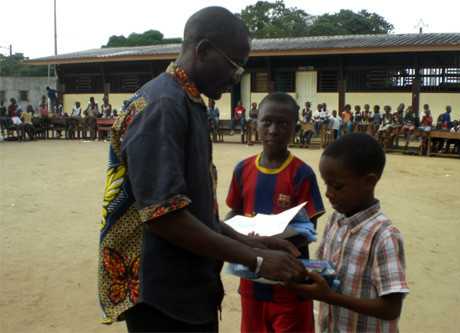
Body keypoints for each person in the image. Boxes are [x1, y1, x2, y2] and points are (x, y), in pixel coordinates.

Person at [97, 7, 306, 332]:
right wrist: (258, 261)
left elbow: (191, 212)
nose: (236, 78)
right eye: (234, 67)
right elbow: (165, 217)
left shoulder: (186, 101)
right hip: (161, 295)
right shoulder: (163, 107)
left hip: (183, 288)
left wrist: (254, 243)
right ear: (204, 50)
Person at [288, 133, 409, 332]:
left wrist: (330, 297)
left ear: (369, 182)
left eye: (337, 186)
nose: (327, 193)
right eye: (326, 184)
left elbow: (391, 308)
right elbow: (324, 266)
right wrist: (296, 265)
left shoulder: (384, 236)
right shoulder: (336, 219)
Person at [226, 92, 325, 333]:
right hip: (252, 280)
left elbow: (309, 231)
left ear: (295, 128)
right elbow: (233, 213)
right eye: (267, 121)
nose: (273, 130)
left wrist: (273, 241)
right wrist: (232, 229)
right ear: (255, 123)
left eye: (283, 124)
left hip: (290, 282)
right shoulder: (243, 169)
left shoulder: (302, 174)